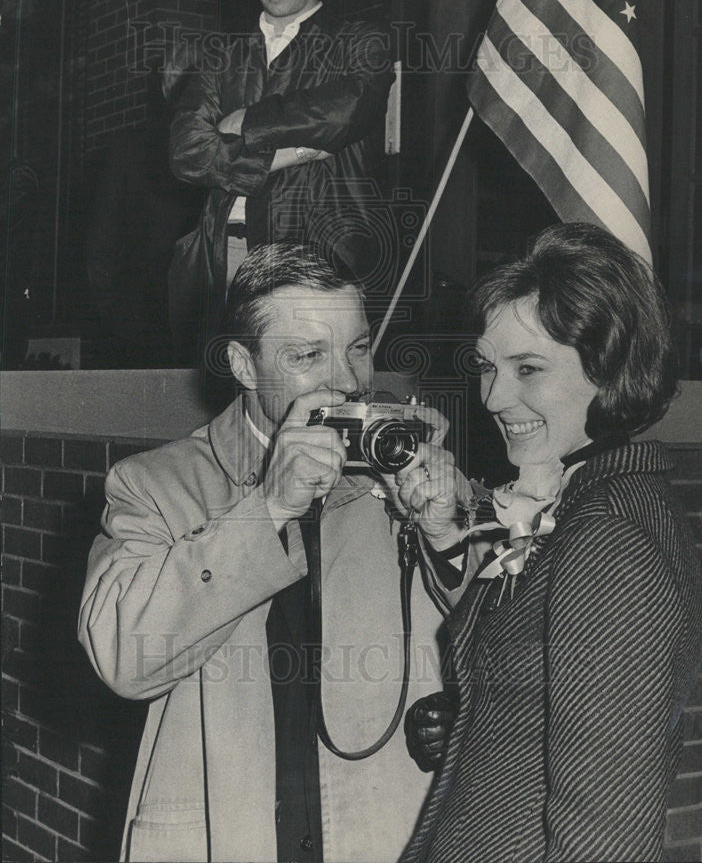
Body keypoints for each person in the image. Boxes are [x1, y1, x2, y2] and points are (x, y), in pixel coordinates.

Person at [78, 242, 468, 863]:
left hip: (382, 832)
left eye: (358, 348)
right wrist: (268, 509)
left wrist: (447, 537)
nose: (346, 381)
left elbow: (510, 639)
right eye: (307, 355)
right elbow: (123, 659)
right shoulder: (154, 486)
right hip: (225, 836)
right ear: (243, 363)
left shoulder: (402, 466)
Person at [400, 223, 702, 863]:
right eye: (488, 367)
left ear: (609, 368)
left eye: (528, 368)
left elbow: (603, 840)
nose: (492, 396)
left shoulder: (611, 542)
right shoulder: (580, 503)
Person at [168, 0, 393, 360]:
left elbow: (344, 112)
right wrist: (289, 154)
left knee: (316, 392)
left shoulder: (358, 42)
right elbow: (186, 152)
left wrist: (246, 122)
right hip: (228, 257)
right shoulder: (219, 57)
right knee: (238, 390)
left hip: (319, 254)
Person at [85, 47, 203, 366]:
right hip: (148, 330)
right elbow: (102, 249)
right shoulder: (131, 150)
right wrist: (121, 321)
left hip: (194, 329)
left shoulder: (226, 148)